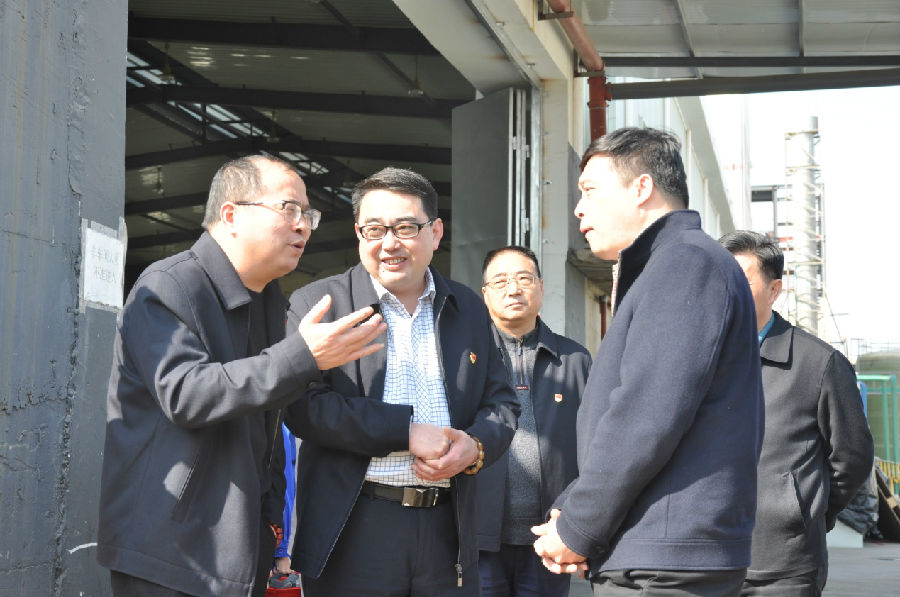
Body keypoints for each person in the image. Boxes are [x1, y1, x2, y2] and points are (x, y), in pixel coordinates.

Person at [97, 155, 389, 597]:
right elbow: (186, 395)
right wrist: (302, 355)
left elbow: (268, 429)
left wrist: (270, 522)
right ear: (231, 215)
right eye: (289, 208)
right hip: (168, 553)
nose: (304, 225)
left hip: (240, 548)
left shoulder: (269, 299)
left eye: (308, 214)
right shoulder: (168, 285)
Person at [532, 127, 765, 597]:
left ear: (642, 188)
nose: (578, 209)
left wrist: (578, 526)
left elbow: (646, 415)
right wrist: (574, 507)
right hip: (657, 548)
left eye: (589, 191)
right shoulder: (672, 263)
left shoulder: (684, 263)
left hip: (664, 558)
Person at [283, 166, 520, 596]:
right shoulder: (321, 305)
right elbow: (303, 406)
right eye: (374, 229)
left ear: (436, 232)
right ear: (358, 233)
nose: (389, 243)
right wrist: (405, 432)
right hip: (355, 527)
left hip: (448, 529)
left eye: (406, 227)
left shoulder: (467, 308)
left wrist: (475, 446)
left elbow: (501, 401)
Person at [718, 230, 874, 597]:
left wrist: (804, 512)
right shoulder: (702, 359)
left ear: (774, 290)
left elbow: (852, 457)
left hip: (782, 567)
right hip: (706, 560)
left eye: (741, 280)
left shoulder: (819, 364)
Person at [475, 245, 592, 597]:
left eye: (524, 279)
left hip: (549, 534)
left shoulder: (574, 359)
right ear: (485, 294)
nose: (513, 289)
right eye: (500, 281)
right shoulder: (468, 357)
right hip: (479, 536)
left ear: (541, 286)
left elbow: (594, 445)